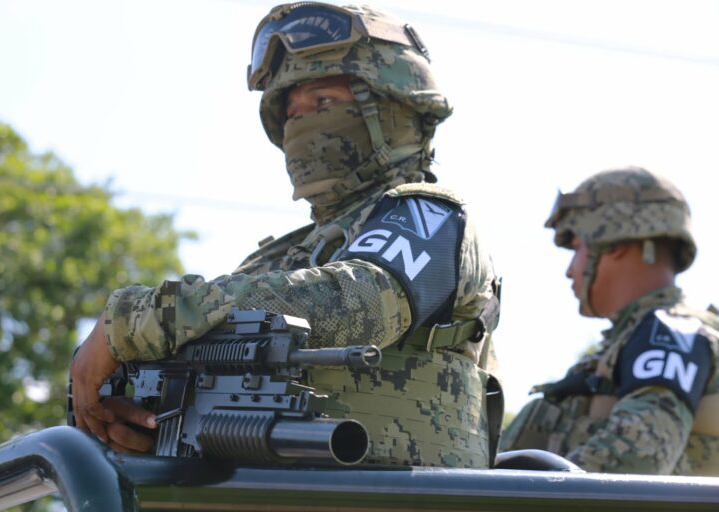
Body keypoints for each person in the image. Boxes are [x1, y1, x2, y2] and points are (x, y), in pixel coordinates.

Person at [70, 2, 503, 468]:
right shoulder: (282, 257)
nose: (301, 126)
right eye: (291, 112)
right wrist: (139, 418)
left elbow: (358, 304)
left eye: (324, 103)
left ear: (393, 109)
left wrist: (136, 321)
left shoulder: (430, 217)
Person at [500, 166, 719, 475]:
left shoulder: (670, 334)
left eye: (577, 248)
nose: (569, 269)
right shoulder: (629, 344)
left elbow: (638, 457)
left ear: (615, 241)